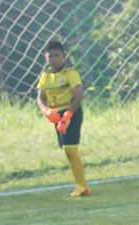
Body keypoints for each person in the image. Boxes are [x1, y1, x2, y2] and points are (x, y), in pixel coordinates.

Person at [36, 40, 91, 198]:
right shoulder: (45, 77)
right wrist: (46, 110)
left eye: (57, 55)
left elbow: (78, 95)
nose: (53, 59)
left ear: (64, 57)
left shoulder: (70, 74)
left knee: (70, 149)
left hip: (71, 113)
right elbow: (40, 97)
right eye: (50, 56)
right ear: (45, 58)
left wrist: (68, 115)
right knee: (68, 150)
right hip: (57, 116)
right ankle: (82, 185)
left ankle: (81, 186)